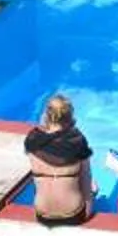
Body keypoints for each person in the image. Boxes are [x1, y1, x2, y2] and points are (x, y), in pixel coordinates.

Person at [24, 95, 92, 225]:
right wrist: (88, 209)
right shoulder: (77, 141)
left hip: (43, 214)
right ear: (70, 116)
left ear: (46, 115)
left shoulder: (32, 140)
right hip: (73, 214)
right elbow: (86, 181)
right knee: (92, 186)